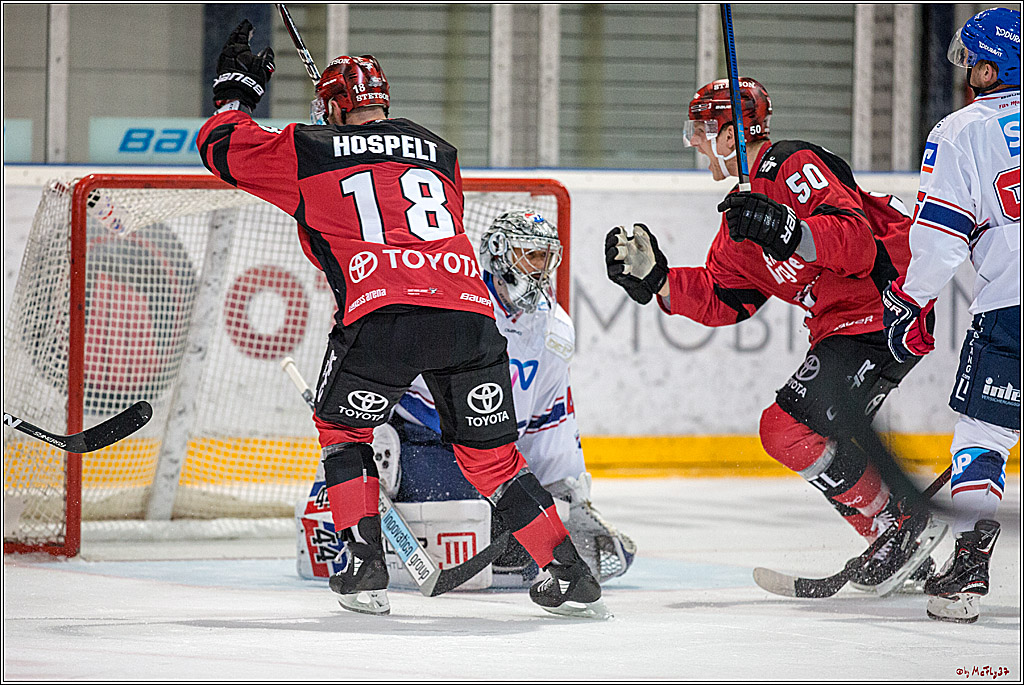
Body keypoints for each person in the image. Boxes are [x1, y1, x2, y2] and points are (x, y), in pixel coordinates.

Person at [198, 21, 605, 618]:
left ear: (333, 108)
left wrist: (236, 95)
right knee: (492, 459)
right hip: (469, 316)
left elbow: (220, 148)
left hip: (381, 314)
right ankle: (568, 572)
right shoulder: (440, 152)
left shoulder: (308, 148)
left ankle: (364, 569)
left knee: (344, 432)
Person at [604, 76, 947, 597]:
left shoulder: (791, 164)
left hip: (886, 309)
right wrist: (659, 281)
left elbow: (857, 244)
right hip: (847, 325)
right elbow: (725, 297)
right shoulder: (739, 219)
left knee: (787, 427)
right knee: (811, 435)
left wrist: (793, 231)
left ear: (730, 134)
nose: (694, 143)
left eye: (700, 130)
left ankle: (896, 528)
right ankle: (897, 541)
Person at [383, 208, 636, 587]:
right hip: (429, 440)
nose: (539, 268)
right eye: (529, 255)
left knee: (532, 532)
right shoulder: (456, 305)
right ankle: (371, 481)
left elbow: (551, 412)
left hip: (499, 453)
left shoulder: (554, 327)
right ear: (499, 255)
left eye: (545, 257)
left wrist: (564, 490)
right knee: (474, 515)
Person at [882, 7, 1020, 624]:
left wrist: (909, 298)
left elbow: (940, 239)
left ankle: (966, 575)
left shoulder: (962, 130)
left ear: (991, 68)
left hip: (1011, 307)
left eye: (974, 61)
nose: (968, 71)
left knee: (982, 440)